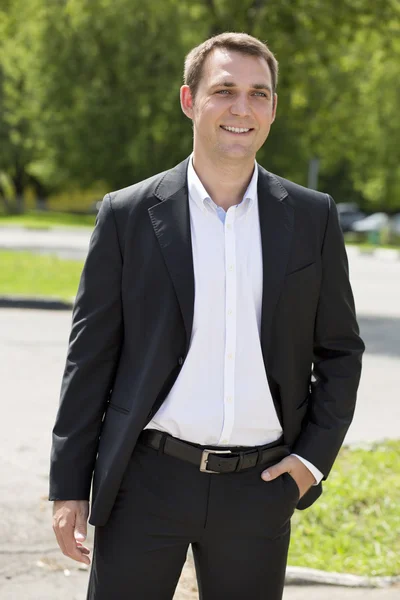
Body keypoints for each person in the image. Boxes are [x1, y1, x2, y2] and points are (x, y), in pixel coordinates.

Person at [50, 32, 365, 600]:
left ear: (272, 108)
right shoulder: (126, 215)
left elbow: (340, 351)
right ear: (189, 101)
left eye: (258, 93)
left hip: (262, 487)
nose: (242, 108)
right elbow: (89, 358)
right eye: (224, 90)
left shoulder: (312, 218)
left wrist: (310, 462)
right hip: (144, 480)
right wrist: (68, 485)